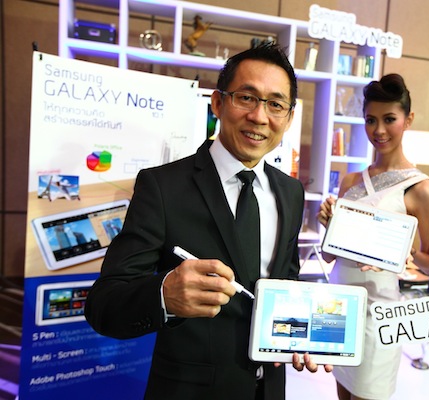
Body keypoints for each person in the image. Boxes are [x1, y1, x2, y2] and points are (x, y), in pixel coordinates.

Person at [85, 43, 331, 400]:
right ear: (217, 103)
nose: (259, 116)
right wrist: (164, 295)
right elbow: (103, 304)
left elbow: (286, 279)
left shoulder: (291, 192)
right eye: (246, 98)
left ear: (289, 118)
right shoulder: (163, 187)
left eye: (275, 104)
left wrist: (303, 331)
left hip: (269, 389)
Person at [318, 73, 429, 400]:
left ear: (408, 120)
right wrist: (329, 225)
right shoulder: (350, 181)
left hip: (379, 312)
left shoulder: (421, 189)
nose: (379, 130)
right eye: (371, 120)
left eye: (389, 119)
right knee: (342, 393)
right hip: (338, 305)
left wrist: (404, 254)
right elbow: (330, 256)